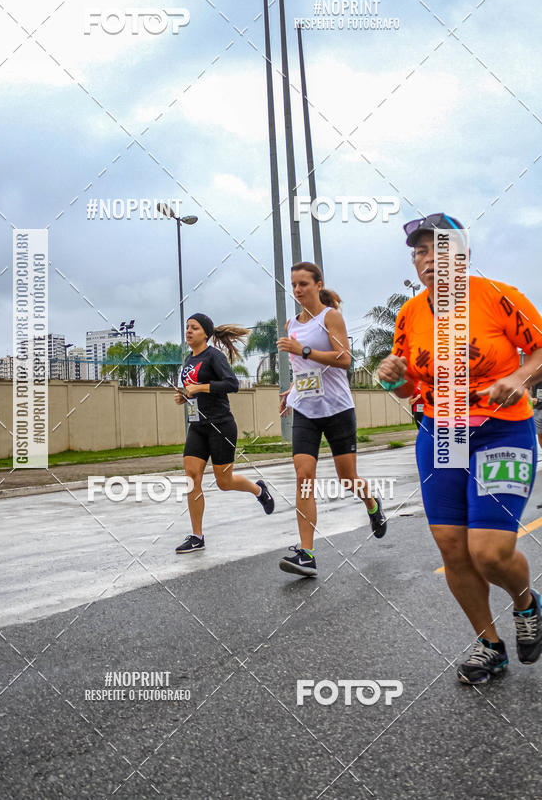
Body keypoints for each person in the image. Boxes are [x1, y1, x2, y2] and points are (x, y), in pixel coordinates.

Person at [378, 212, 542, 684]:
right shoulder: (410, 314)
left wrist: (517, 377)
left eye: (438, 249)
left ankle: (526, 602)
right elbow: (409, 390)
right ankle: (490, 645)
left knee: (489, 553)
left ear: (464, 256)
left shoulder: (498, 297)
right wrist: (397, 377)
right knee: (453, 548)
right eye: (419, 252)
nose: (427, 260)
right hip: (440, 434)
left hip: (501, 432)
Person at [276, 262, 386, 578]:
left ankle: (372, 504)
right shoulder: (291, 324)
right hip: (306, 411)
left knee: (347, 477)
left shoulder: (330, 317)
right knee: (303, 474)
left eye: (303, 284)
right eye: (294, 285)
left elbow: (345, 359)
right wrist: (292, 389)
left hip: (337, 409)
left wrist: (303, 349)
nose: (297, 290)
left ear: (318, 284)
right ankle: (307, 553)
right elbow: (302, 370)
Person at [174, 313, 274, 553]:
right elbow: (192, 392)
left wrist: (200, 387)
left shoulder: (214, 357)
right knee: (191, 477)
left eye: (194, 328)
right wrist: (185, 396)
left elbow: (232, 384)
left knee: (224, 482)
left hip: (221, 425)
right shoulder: (188, 360)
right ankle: (197, 536)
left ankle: (259, 490)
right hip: (197, 426)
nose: (188, 331)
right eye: (187, 327)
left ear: (205, 334)